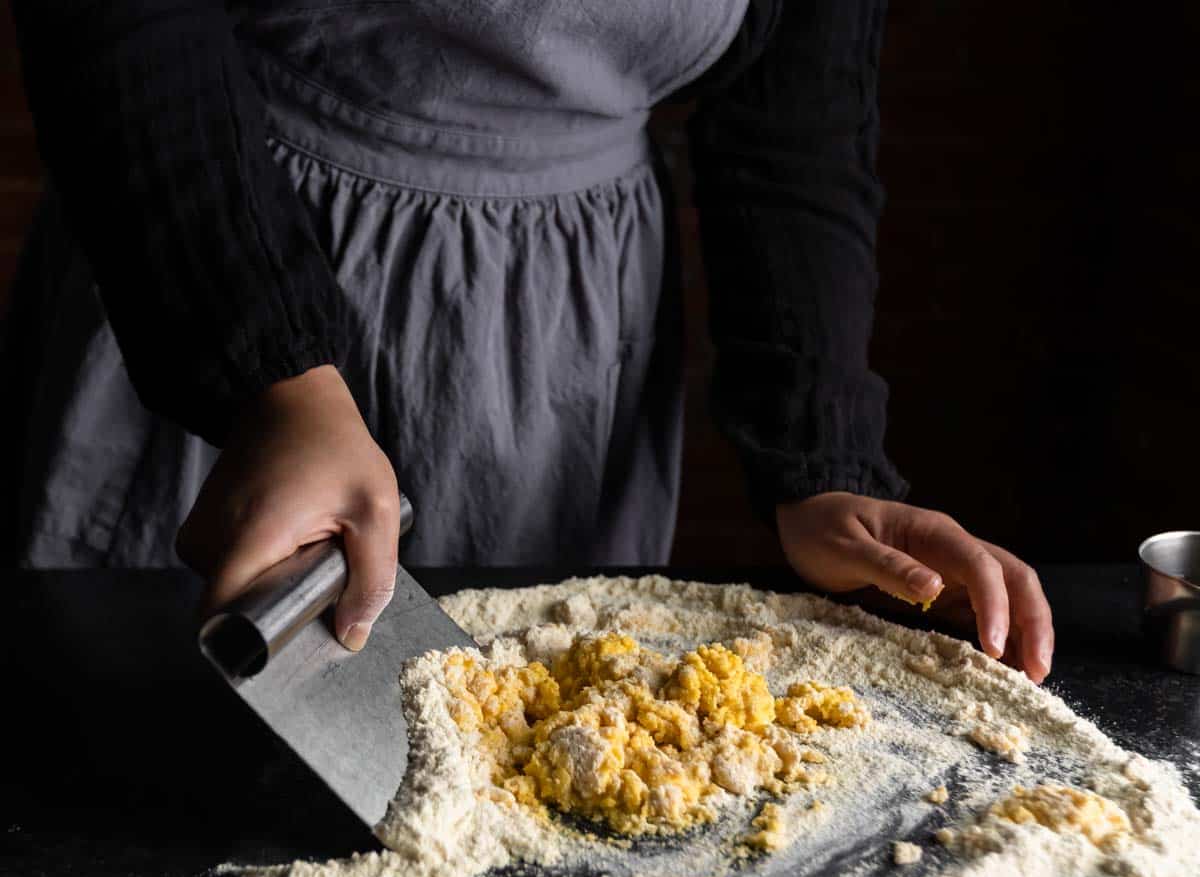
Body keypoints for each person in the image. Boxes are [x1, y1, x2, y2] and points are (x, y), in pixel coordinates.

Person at [7, 0, 1053, 680]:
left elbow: (795, 131)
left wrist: (821, 465)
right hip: (217, 241)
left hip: (560, 355)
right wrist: (269, 375)